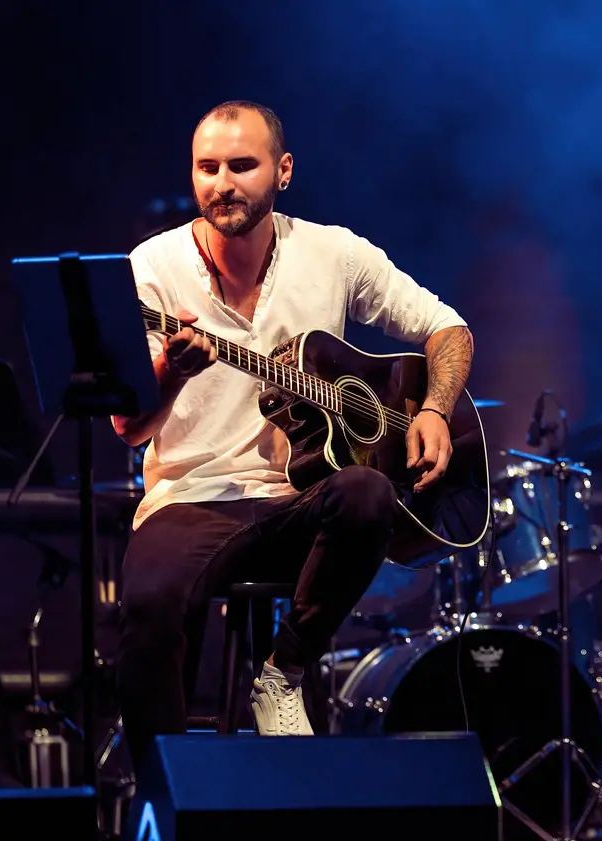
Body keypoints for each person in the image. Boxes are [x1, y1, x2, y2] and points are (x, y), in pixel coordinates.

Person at [112, 101, 473, 761]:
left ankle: (283, 675)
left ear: (282, 171)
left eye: (241, 166)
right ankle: (165, 789)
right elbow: (129, 428)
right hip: (193, 498)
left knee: (366, 491)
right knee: (148, 606)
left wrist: (433, 409)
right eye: (207, 167)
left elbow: (448, 328)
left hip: (300, 503)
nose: (223, 183)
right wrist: (172, 374)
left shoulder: (333, 253)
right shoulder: (152, 269)